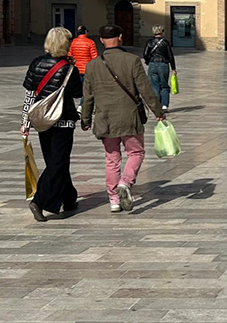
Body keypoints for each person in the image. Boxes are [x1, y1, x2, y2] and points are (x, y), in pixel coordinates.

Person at [81, 25, 166, 213]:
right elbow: (145, 89)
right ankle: (125, 182)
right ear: (120, 37)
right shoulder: (132, 60)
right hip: (129, 117)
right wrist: (158, 111)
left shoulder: (92, 65)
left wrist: (85, 119)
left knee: (112, 159)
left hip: (105, 119)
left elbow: (88, 96)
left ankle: (114, 200)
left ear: (101, 40)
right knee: (136, 152)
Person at [20, 27, 83, 222]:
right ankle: (39, 201)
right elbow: (77, 93)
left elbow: (30, 95)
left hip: (42, 121)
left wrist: (25, 122)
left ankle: (69, 198)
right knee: (58, 162)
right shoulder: (70, 69)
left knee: (55, 161)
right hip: (63, 121)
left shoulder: (36, 63)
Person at [143, 25, 177, 111]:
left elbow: (145, 54)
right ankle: (164, 105)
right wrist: (173, 68)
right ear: (161, 31)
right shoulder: (165, 42)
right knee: (164, 85)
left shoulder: (150, 42)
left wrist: (148, 61)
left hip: (152, 64)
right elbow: (170, 55)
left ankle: (157, 105)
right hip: (163, 64)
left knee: (154, 86)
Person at [67, 25, 97, 109]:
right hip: (87, 68)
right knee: (86, 89)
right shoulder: (90, 42)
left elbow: (70, 55)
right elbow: (94, 57)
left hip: (76, 68)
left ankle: (74, 105)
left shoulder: (73, 42)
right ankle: (81, 105)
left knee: (76, 87)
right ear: (85, 32)